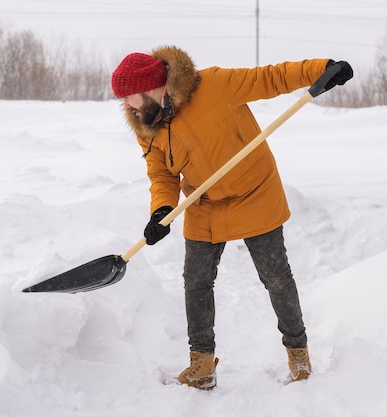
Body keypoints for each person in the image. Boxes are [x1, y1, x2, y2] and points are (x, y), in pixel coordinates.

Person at [110, 46, 352, 390]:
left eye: (127, 97)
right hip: (204, 202)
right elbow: (161, 175)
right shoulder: (147, 127)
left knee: (276, 278)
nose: (125, 106)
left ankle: (299, 357)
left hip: (255, 192)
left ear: (150, 87)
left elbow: (272, 77)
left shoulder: (213, 85)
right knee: (195, 281)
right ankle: (201, 366)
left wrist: (322, 69)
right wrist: (161, 210)